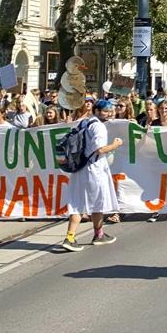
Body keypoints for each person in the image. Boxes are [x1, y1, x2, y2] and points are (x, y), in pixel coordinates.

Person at [60, 100, 122, 252]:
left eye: (110, 110)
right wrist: (115, 145)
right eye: (106, 111)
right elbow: (100, 149)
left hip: (80, 167)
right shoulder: (99, 126)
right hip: (93, 169)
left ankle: (98, 234)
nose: (109, 113)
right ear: (96, 111)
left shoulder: (84, 123)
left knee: (92, 202)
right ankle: (70, 238)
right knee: (83, 203)